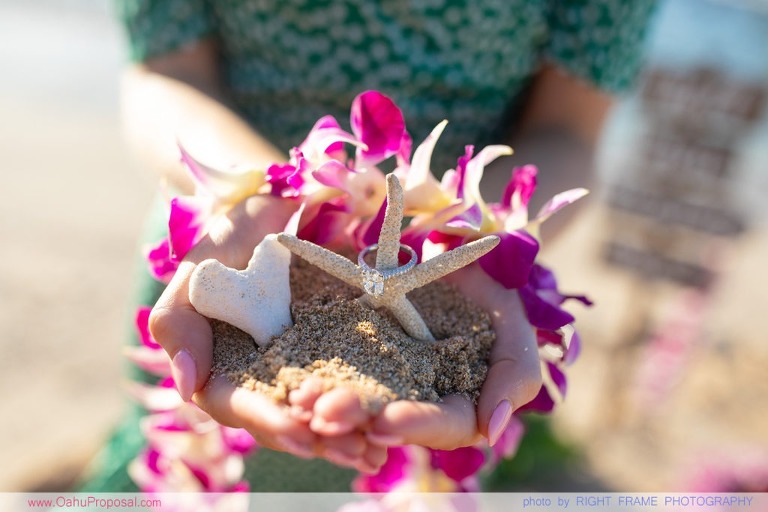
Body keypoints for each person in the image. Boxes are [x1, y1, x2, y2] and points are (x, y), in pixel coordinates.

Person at [84, 0, 656, 491]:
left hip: (451, 231)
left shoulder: (445, 260)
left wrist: (471, 238)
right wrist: (273, 198)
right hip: (231, 236)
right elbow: (166, 74)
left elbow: (569, 129)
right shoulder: (276, 240)